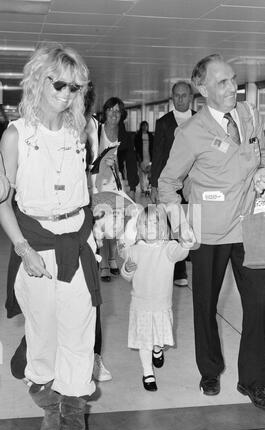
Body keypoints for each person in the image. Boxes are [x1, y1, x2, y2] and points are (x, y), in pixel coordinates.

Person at [158, 53, 265, 411]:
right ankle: (209, 371)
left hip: (250, 226)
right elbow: (168, 183)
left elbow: (263, 154)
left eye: (234, 79)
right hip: (208, 234)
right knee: (205, 306)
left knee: (258, 305)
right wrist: (182, 228)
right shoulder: (190, 133)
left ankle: (253, 381)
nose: (233, 87)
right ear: (202, 87)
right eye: (223, 81)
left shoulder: (248, 115)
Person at [0, 43, 102, 430]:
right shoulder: (15, 136)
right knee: (43, 337)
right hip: (36, 245)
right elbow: (4, 204)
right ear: (38, 80)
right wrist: (23, 249)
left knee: (80, 332)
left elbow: (86, 193)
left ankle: (73, 424)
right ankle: (47, 401)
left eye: (75, 88)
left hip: (77, 242)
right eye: (58, 83)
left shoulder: (84, 131)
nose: (66, 93)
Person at [120, 204, 195, 391]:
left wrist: (186, 242)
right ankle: (148, 373)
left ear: (163, 227)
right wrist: (126, 270)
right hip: (140, 305)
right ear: (138, 228)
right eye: (145, 224)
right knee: (144, 340)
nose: (150, 227)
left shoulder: (168, 247)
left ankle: (158, 348)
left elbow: (181, 252)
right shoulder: (135, 250)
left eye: (155, 223)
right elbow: (126, 274)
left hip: (162, 305)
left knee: (158, 337)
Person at [150, 81, 195, 287]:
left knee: (195, 223)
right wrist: (154, 184)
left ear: (191, 97)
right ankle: (179, 272)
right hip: (171, 182)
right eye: (176, 95)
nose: (180, 99)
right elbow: (157, 155)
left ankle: (195, 260)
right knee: (175, 225)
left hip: (195, 182)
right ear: (172, 97)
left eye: (184, 95)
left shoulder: (200, 120)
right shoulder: (164, 123)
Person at [90, 96, 139, 282]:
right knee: (100, 222)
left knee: (115, 222)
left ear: (122, 115)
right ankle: (103, 263)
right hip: (97, 183)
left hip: (116, 185)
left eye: (117, 111)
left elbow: (131, 161)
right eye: (110, 110)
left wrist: (133, 185)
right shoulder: (96, 131)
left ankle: (112, 259)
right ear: (105, 112)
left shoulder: (125, 136)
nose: (113, 114)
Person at [83, 82, 112, 382]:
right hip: (52, 225)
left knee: (92, 295)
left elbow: (98, 173)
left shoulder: (92, 126)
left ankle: (94, 358)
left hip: (86, 219)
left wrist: (99, 218)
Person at [134, 120, 153, 195]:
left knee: (149, 173)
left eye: (146, 125)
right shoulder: (138, 136)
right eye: (143, 125)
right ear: (141, 126)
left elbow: (153, 147)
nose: (145, 127)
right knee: (141, 173)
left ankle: (148, 188)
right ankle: (143, 188)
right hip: (141, 157)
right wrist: (138, 158)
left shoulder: (150, 136)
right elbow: (136, 148)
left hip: (148, 156)